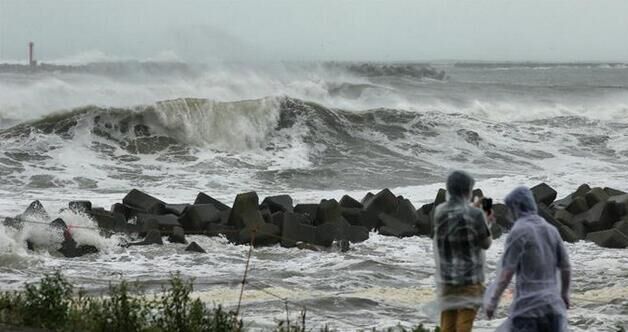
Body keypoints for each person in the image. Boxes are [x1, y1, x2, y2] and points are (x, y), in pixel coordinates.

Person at [484, 186, 571, 332]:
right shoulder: (551, 230)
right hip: (554, 309)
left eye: (510, 209)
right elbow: (566, 267)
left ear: (516, 207)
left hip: (528, 310)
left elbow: (506, 273)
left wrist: (492, 302)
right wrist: (564, 295)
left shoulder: (519, 231)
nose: (509, 214)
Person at [433, 170, 493, 332]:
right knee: (464, 326)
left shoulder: (440, 211)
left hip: (446, 281)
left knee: (447, 325)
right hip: (470, 281)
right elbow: (486, 243)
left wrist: (474, 211)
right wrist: (485, 220)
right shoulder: (475, 215)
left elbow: (458, 221)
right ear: (467, 190)